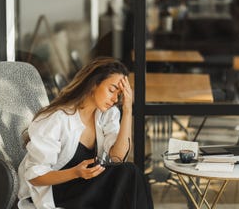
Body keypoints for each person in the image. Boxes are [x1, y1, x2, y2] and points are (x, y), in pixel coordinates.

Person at [17, 57, 153, 209]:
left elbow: (118, 157)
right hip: (57, 192)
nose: (115, 99)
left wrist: (128, 109)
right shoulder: (58, 119)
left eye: (119, 95)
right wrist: (75, 173)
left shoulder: (106, 114)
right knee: (129, 174)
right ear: (94, 84)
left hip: (87, 187)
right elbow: (34, 176)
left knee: (128, 173)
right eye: (112, 90)